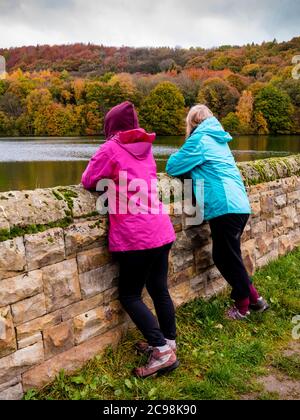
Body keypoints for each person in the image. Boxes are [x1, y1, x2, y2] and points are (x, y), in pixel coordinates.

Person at [81, 101, 179, 377]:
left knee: (129, 294)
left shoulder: (111, 148)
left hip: (137, 235)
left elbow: (88, 180)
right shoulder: (146, 149)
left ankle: (161, 352)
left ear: (111, 128)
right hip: (161, 229)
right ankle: (169, 342)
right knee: (159, 288)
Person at [166, 104, 269, 320]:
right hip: (238, 204)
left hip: (224, 206)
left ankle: (242, 307)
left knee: (224, 257)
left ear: (192, 123)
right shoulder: (219, 139)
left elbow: (172, 166)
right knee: (231, 256)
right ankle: (255, 299)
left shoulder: (199, 140)